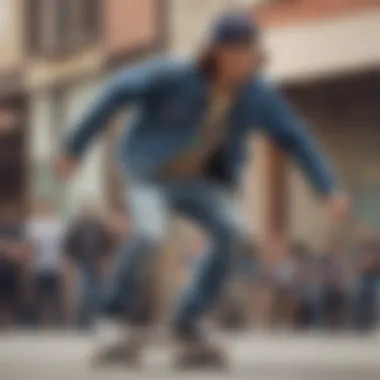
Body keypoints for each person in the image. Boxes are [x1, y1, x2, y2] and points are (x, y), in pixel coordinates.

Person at [56, 11, 349, 368]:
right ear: (213, 53)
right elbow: (116, 92)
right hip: (149, 174)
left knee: (234, 233)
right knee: (149, 232)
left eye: (247, 56)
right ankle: (112, 316)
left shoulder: (258, 94)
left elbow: (296, 138)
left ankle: (187, 321)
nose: (240, 65)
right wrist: (74, 147)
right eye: (232, 55)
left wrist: (328, 187)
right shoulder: (174, 75)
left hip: (201, 183)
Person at [64, 203, 114, 329]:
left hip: (98, 263)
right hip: (81, 263)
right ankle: (84, 321)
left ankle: (94, 319)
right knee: (84, 292)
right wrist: (71, 263)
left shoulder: (100, 228)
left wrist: (104, 261)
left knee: (97, 292)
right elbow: (69, 246)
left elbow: (107, 246)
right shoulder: (77, 228)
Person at [27, 199, 65, 328]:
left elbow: (62, 246)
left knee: (54, 295)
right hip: (39, 266)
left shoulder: (57, 225)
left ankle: (52, 321)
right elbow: (30, 247)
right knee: (40, 295)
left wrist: (63, 264)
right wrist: (30, 264)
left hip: (54, 265)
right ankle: (41, 321)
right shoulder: (34, 225)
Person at [0, 202, 29, 328]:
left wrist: (7, 248)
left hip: (14, 268)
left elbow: (24, 250)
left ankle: (11, 319)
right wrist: (10, 249)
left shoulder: (18, 230)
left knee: (16, 285)